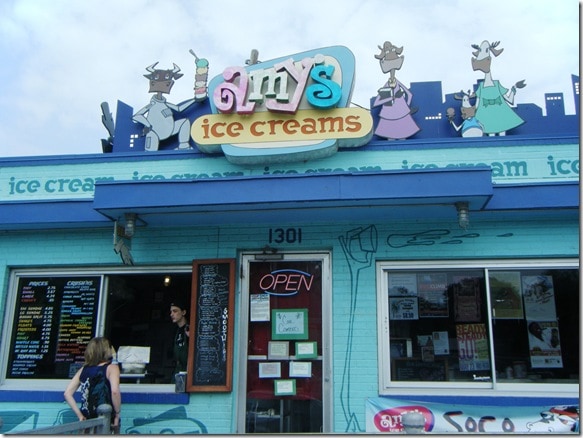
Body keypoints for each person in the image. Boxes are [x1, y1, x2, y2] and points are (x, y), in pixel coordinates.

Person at [64, 337, 121, 431]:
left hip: (87, 421)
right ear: (106, 350)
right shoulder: (112, 368)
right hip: (106, 419)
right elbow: (115, 391)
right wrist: (117, 414)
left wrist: (80, 415)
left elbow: (67, 394)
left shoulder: (83, 369)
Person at [170, 301, 190, 381]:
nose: (171, 314)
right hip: (178, 370)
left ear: (183, 312)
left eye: (175, 311)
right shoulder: (174, 331)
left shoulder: (190, 329)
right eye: (171, 312)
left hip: (189, 370)